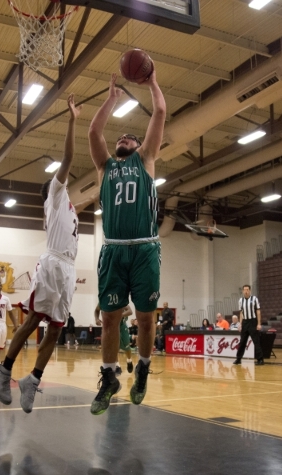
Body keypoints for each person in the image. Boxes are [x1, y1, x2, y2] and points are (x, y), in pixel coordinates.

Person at [0, 93, 81, 413]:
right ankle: (4, 372)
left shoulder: (68, 205)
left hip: (68, 269)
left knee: (56, 329)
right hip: (54, 262)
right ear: (53, 187)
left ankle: (33, 378)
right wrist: (73, 120)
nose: (65, 178)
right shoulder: (55, 195)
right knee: (31, 322)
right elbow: (68, 158)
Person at [88, 69, 166, 415]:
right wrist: (110, 100)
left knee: (146, 320)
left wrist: (151, 83)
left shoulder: (145, 159)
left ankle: (145, 369)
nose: (124, 137)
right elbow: (94, 131)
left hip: (145, 247)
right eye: (121, 136)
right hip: (113, 249)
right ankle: (109, 378)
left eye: (130, 137)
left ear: (138, 146)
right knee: (109, 319)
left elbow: (160, 112)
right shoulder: (105, 167)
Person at [94, 304, 134, 375]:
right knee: (114, 347)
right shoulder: (103, 299)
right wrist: (97, 319)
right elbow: (96, 310)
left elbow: (130, 311)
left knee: (127, 347)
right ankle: (117, 366)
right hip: (110, 326)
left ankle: (129, 360)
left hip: (121, 326)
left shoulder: (120, 298)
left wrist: (119, 315)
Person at [233, 285, 264, 366]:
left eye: (247, 289)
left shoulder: (254, 299)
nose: (246, 291)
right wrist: (240, 324)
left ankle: (260, 359)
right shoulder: (241, 300)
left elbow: (258, 311)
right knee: (242, 341)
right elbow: (241, 313)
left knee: (256, 341)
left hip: (253, 322)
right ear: (243, 291)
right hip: (245, 322)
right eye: (244, 290)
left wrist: (259, 323)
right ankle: (238, 359)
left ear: (250, 291)